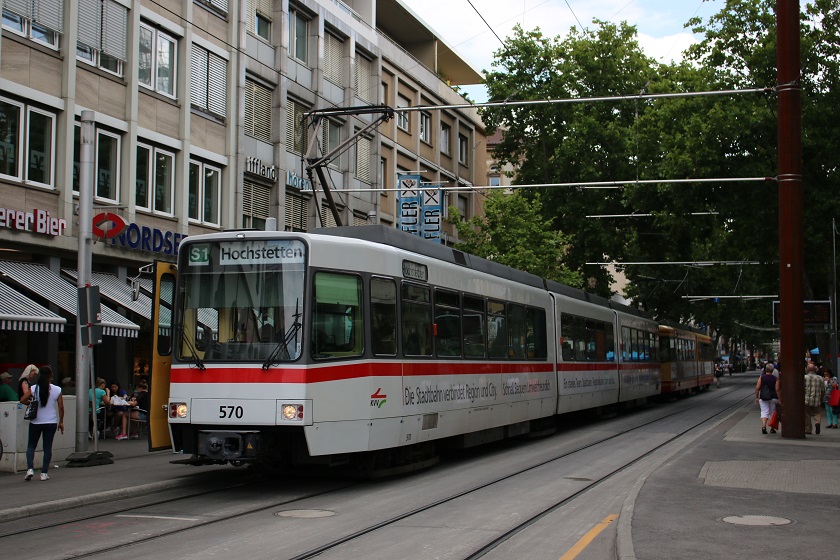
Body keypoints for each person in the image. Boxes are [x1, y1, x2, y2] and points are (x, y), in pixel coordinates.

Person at [20, 365, 63, 481]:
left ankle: (30, 469)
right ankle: (44, 473)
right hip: (51, 422)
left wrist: (31, 403)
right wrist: (61, 421)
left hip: (36, 422)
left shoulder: (34, 388)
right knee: (47, 448)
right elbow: (61, 407)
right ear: (50, 375)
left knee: (31, 446)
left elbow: (22, 399)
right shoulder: (57, 389)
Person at [755, 363, 780, 434]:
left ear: (765, 370)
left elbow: (757, 388)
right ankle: (772, 428)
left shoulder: (761, 377)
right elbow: (777, 390)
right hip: (773, 398)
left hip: (763, 397)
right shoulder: (776, 379)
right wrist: (780, 399)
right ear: (773, 370)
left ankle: (763, 427)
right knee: (772, 412)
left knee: (764, 412)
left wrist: (757, 397)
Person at [804, 362, 825, 435]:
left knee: (807, 414)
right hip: (817, 399)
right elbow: (823, 390)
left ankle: (808, 430)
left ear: (807, 369)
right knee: (817, 413)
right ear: (815, 370)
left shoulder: (805, 377)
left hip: (806, 399)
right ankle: (817, 423)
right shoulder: (820, 378)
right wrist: (821, 397)